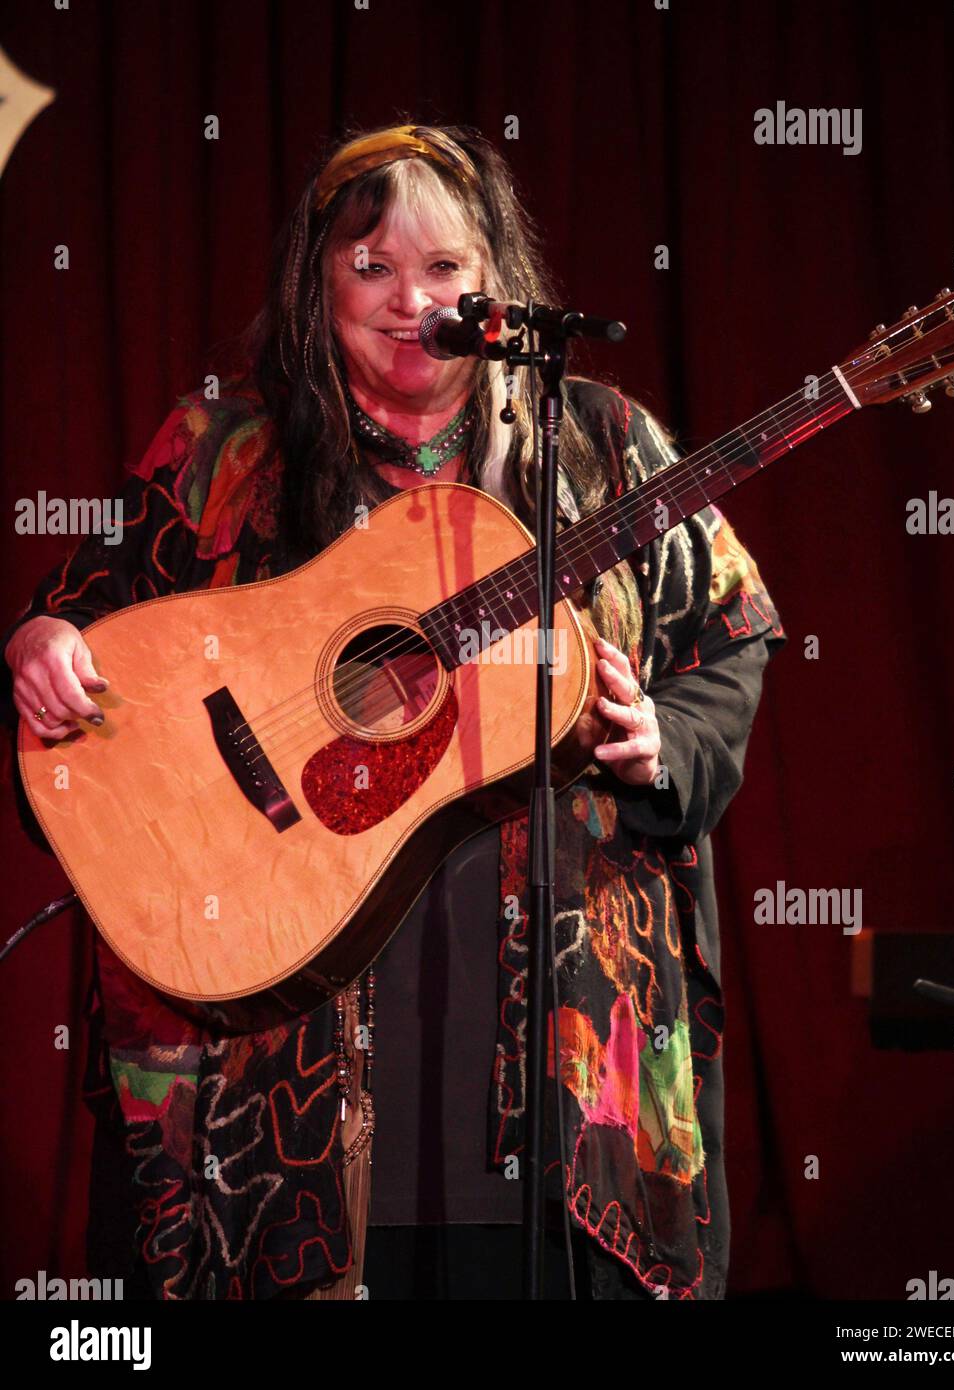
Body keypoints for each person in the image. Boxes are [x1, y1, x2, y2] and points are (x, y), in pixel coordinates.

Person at [2, 122, 785, 1300]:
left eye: (443, 269)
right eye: (370, 268)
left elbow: (730, 638)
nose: (410, 298)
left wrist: (665, 741)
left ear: (496, 284)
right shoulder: (222, 453)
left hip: (562, 1060)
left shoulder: (604, 446)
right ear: (315, 286)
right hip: (277, 1065)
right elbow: (78, 624)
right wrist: (37, 643)